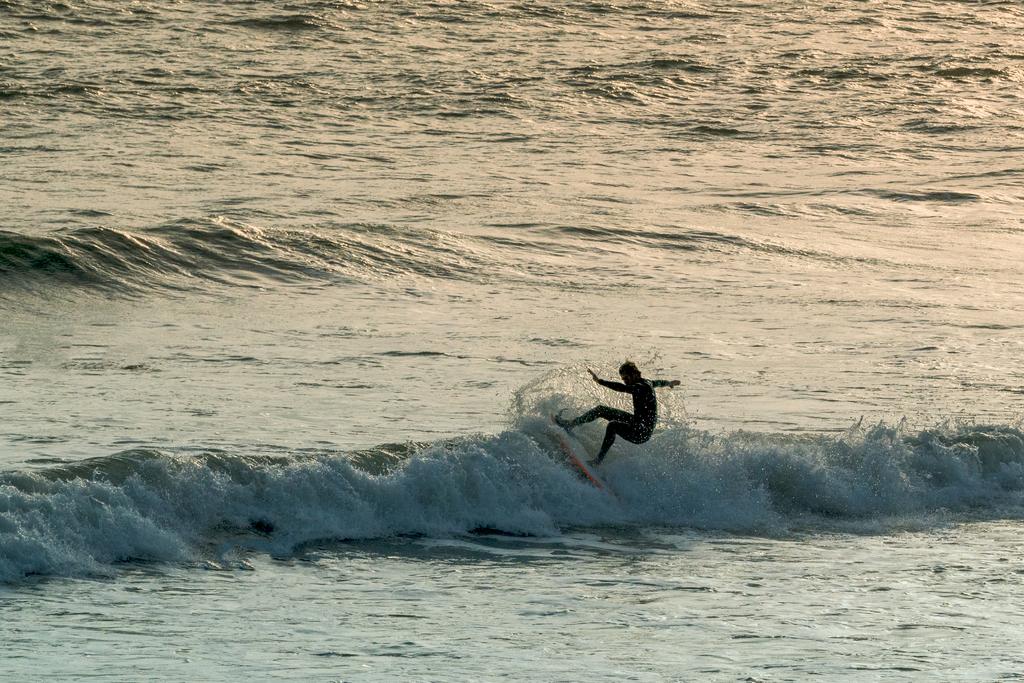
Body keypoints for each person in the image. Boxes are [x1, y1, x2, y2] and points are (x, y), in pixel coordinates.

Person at [555, 361, 680, 466]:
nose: (625, 381)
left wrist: (600, 381)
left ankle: (598, 460)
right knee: (601, 409)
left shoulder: (641, 387)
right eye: (623, 379)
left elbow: (622, 388)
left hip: (641, 433)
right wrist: (669, 383)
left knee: (612, 425)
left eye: (626, 378)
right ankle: (571, 424)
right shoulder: (647, 382)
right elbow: (658, 382)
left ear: (635, 374)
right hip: (636, 422)